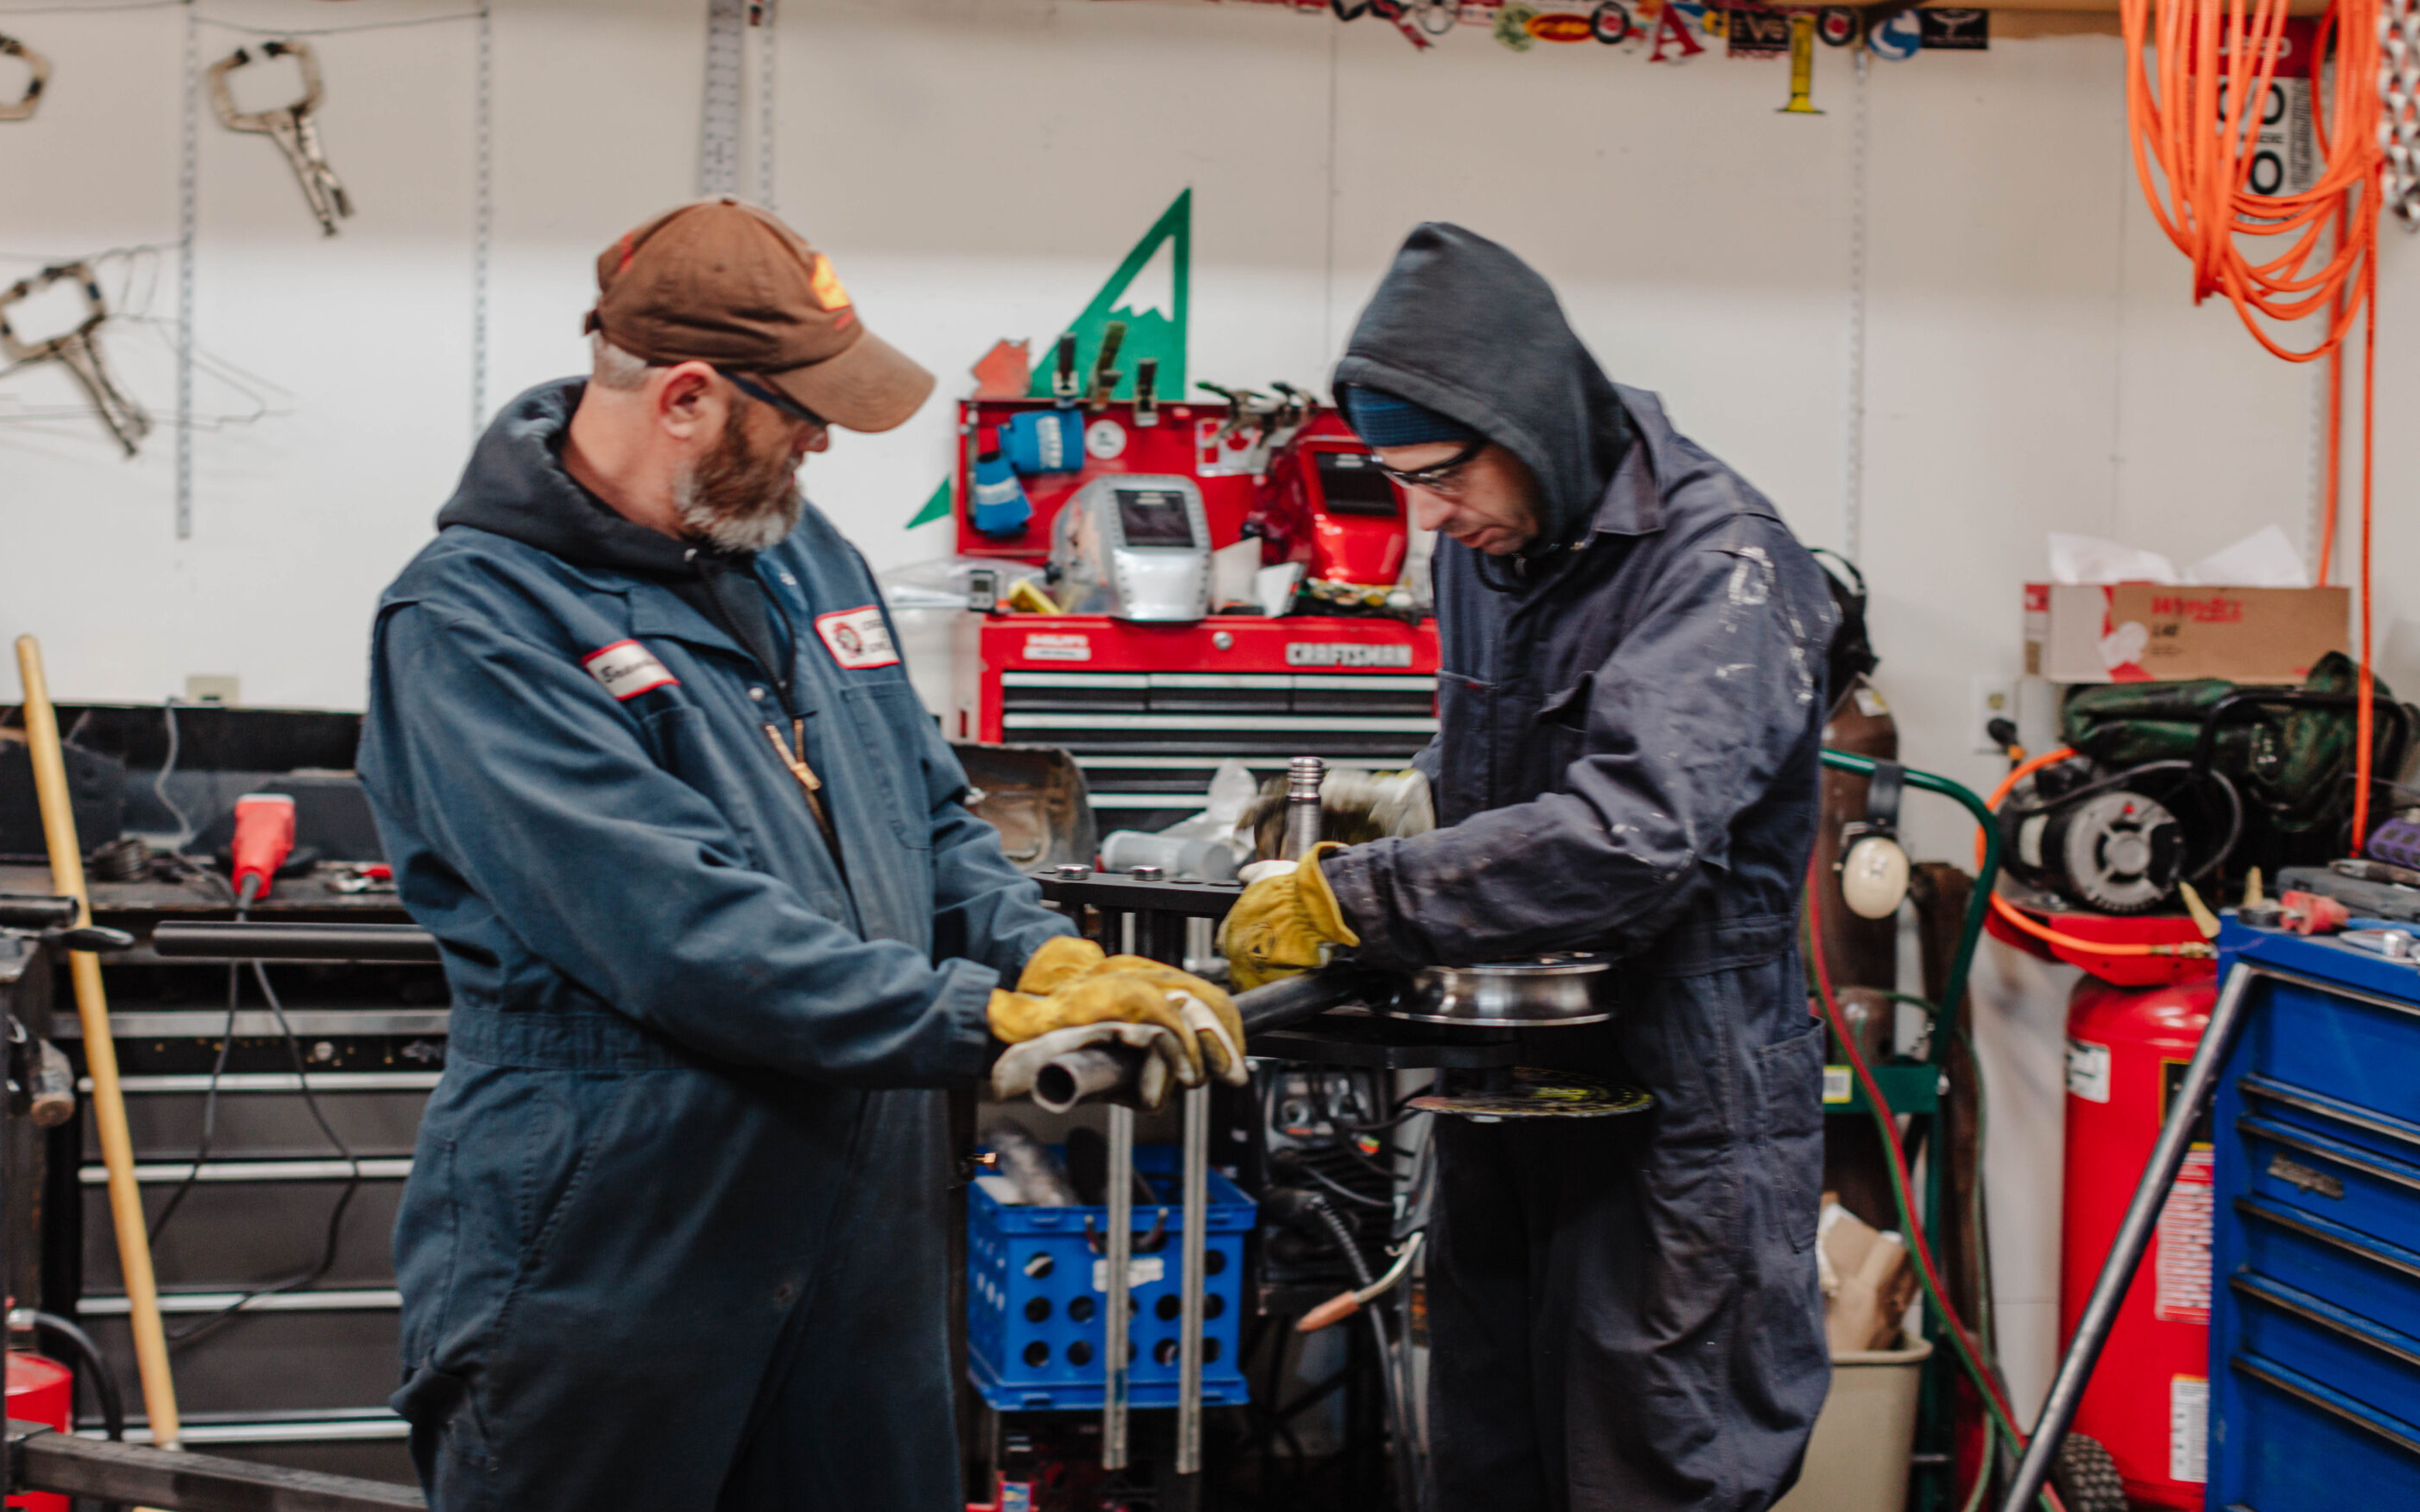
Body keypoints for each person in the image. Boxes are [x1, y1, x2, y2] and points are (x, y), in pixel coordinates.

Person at [358, 198, 1244, 1511]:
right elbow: (678, 932)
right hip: (616, 1238)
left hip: (858, 1233)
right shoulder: (474, 620)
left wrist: (1043, 950)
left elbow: (931, 819)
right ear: (687, 397)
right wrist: (988, 1017)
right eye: (798, 409)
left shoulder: (793, 554)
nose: (823, 441)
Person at [1222, 222, 1839, 1511]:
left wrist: (1367, 899)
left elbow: (1629, 836)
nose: (1425, 517)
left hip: (1678, 1109)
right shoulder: (1484, 545)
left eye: (1442, 474)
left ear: (1536, 422)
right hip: (1506, 1093)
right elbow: (1484, 773)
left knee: (1648, 1473)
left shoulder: (1717, 561)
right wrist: (1381, 830)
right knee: (1489, 1465)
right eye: (1398, 481)